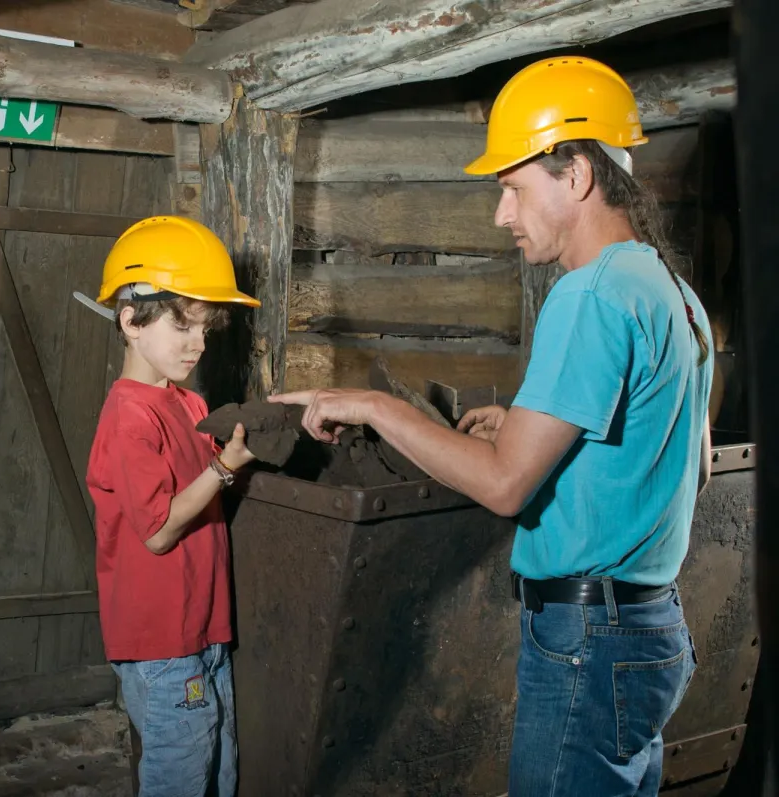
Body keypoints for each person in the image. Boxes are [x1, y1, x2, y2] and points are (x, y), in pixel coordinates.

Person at [270, 56, 714, 797]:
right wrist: (534, 425)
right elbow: (681, 463)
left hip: (587, 642)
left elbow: (507, 486)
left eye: (512, 188)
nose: (501, 214)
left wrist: (381, 406)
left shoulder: (588, 295)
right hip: (651, 633)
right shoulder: (675, 293)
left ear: (575, 175)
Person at [83, 215, 258, 797]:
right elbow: (157, 532)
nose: (199, 343)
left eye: (205, 329)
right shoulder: (128, 415)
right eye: (183, 326)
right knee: (180, 776)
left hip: (204, 626)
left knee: (218, 770)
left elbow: (206, 485)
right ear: (131, 321)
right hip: (161, 638)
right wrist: (222, 469)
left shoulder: (188, 403)